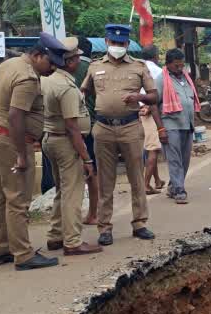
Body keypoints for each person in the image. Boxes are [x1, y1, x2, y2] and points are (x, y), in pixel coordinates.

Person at [0, 33, 63, 269]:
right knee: (18, 199)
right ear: (38, 56)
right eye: (50, 64)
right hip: (11, 140)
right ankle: (23, 254)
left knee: (1, 195)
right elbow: (16, 115)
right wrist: (21, 153)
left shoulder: (9, 64)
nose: (52, 70)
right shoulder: (28, 77)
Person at [81, 24, 162, 245]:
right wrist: (87, 117)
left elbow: (154, 96)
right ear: (107, 42)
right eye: (114, 43)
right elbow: (82, 93)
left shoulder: (139, 67)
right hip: (103, 128)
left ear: (127, 44)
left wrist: (139, 97)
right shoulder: (94, 67)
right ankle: (104, 227)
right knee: (106, 179)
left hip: (130, 127)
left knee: (136, 176)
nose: (117, 46)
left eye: (121, 43)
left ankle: (139, 223)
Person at [41, 36, 101, 256]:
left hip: (50, 139)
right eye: (76, 57)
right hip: (66, 142)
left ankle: (55, 235)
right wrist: (86, 157)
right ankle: (72, 241)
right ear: (70, 62)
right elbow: (73, 127)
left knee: (61, 190)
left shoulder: (47, 80)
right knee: (73, 193)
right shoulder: (65, 86)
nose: (78, 60)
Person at [156, 48, 199, 204]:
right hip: (170, 124)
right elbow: (154, 105)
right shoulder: (161, 80)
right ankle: (179, 190)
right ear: (168, 65)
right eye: (176, 66)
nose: (180, 69)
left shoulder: (186, 78)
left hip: (187, 124)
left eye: (182, 65)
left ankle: (174, 186)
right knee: (174, 159)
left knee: (185, 160)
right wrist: (161, 129)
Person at [71, 35, 99, 225]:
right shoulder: (95, 69)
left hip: (73, 126)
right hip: (94, 124)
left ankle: (75, 215)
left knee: (74, 170)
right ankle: (94, 213)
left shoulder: (68, 69)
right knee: (93, 169)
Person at [139, 44, 166, 195]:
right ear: (155, 56)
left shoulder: (138, 68)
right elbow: (158, 96)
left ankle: (157, 180)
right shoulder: (158, 71)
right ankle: (146, 184)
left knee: (150, 147)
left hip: (138, 111)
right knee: (153, 149)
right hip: (151, 112)